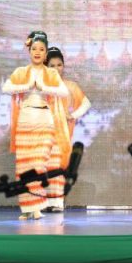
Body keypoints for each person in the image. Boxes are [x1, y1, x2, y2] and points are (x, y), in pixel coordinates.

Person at [2, 31, 70, 220]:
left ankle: (37, 206)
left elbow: (63, 92)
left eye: (41, 49)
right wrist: (26, 87)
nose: (37, 52)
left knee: (39, 164)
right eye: (34, 49)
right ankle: (27, 208)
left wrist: (43, 88)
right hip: (26, 119)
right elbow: (6, 88)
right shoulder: (21, 72)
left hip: (44, 120)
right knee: (24, 165)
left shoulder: (51, 73)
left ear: (46, 53)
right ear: (29, 51)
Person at [44, 46, 91, 212]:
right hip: (43, 131)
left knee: (57, 163)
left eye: (59, 65)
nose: (56, 68)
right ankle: (44, 201)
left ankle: (57, 201)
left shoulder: (70, 86)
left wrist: (73, 115)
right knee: (43, 165)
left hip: (62, 132)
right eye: (52, 65)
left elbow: (86, 103)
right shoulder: (41, 87)